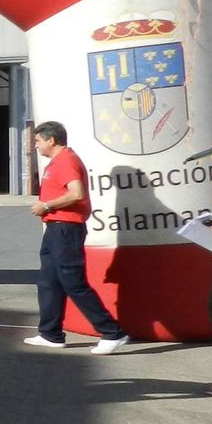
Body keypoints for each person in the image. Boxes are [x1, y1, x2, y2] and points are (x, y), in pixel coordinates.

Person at [25, 121, 129, 353]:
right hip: (55, 228)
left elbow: (76, 193)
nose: (36, 146)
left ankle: (113, 332)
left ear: (51, 140)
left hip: (66, 229)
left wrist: (46, 205)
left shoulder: (66, 160)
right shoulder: (57, 162)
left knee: (72, 281)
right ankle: (50, 333)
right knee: (48, 281)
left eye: (38, 141)